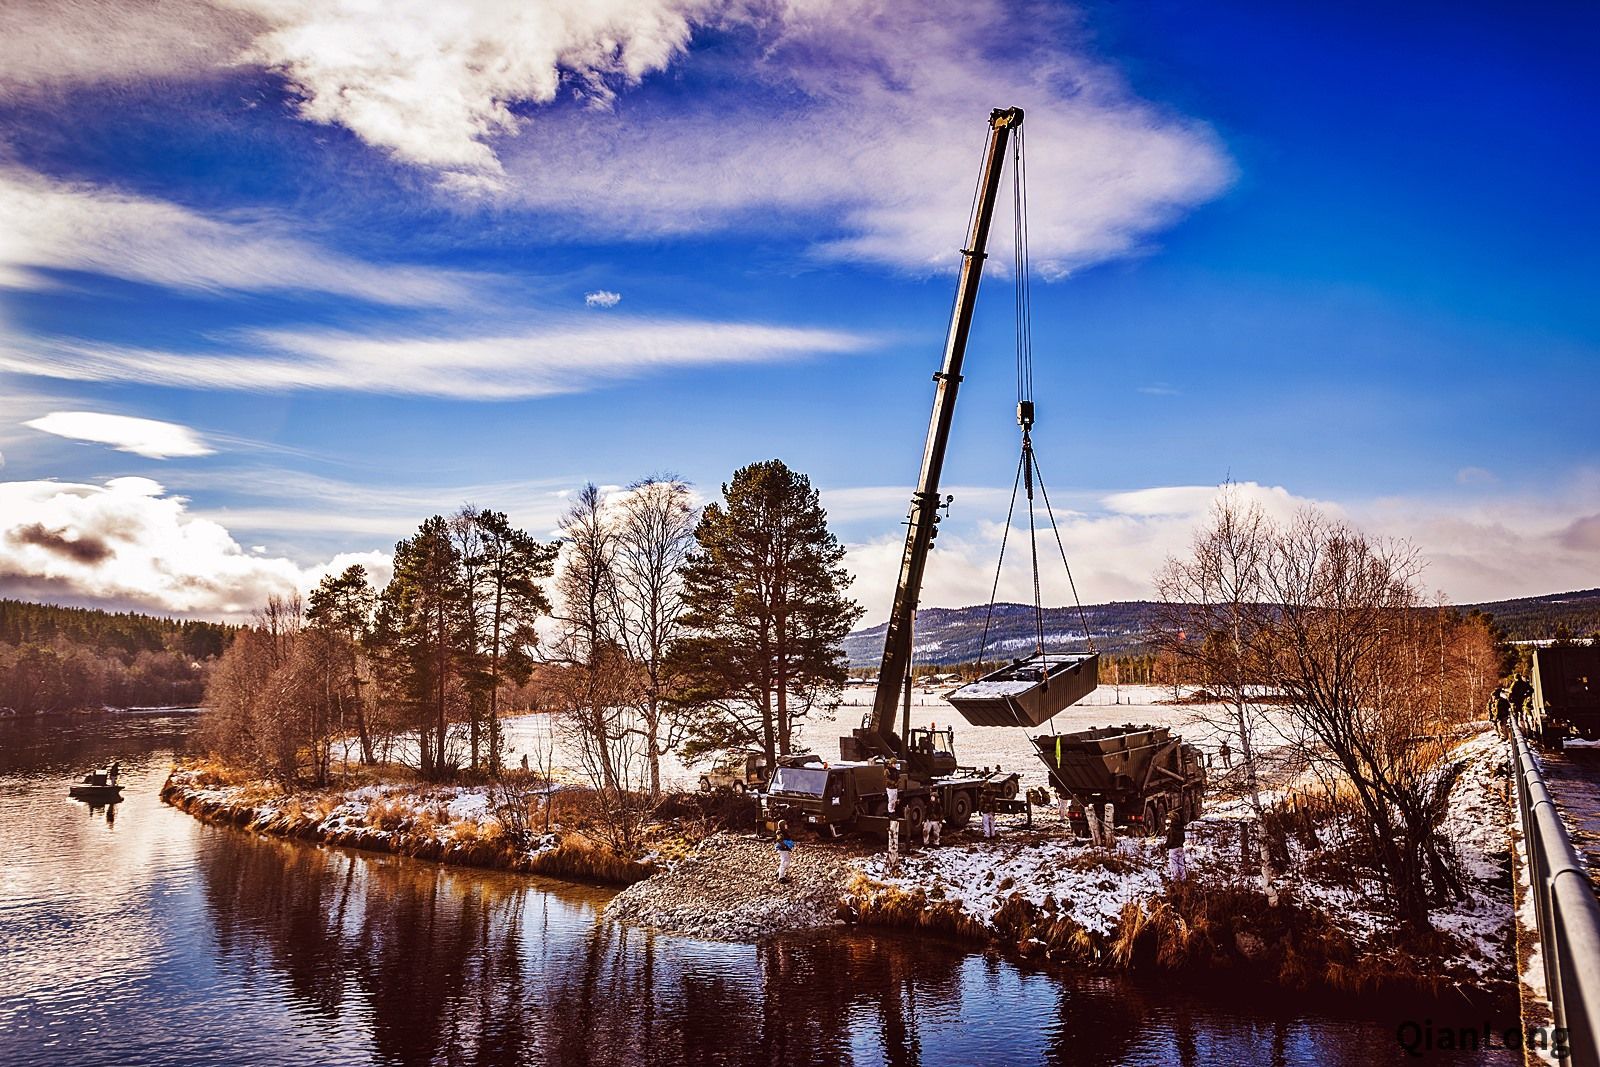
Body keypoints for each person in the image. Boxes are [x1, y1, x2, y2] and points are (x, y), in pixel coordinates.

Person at [1165, 810, 1188, 882]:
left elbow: (1170, 840)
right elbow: (1183, 839)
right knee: (1181, 863)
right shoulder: (1181, 828)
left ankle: (1175, 879)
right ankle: (1183, 878)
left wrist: (1166, 846)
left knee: (1174, 864)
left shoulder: (1171, 829)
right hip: (1180, 848)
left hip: (1173, 849)